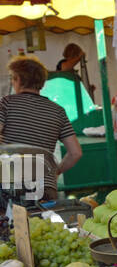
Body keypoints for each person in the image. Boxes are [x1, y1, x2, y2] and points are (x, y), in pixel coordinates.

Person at [0, 55, 82, 200]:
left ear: (18, 79)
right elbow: (75, 153)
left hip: (8, 186)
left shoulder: (6, 104)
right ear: (42, 83)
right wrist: (54, 172)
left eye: (13, 79)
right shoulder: (58, 111)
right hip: (44, 188)